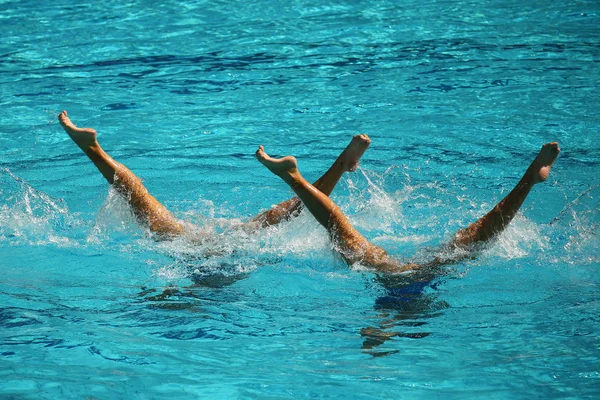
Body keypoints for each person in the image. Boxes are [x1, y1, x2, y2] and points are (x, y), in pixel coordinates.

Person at [57, 110, 371, 243]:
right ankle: (340, 165)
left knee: (286, 212)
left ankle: (94, 149)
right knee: (288, 211)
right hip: (219, 245)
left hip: (214, 244)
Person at [255, 142, 560, 275]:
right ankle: (294, 177)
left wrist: (381, 332)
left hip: (416, 266)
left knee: (481, 234)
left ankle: (529, 179)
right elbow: (387, 322)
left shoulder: (406, 295)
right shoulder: (401, 298)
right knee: (339, 230)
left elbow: (388, 321)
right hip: (406, 268)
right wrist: (380, 334)